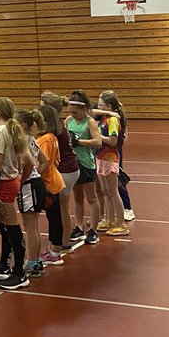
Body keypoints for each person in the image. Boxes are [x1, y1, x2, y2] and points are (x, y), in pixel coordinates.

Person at [0, 97, 32, 290]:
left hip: (3, 184)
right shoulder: (13, 129)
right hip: (11, 182)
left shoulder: (0, 131)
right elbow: (30, 162)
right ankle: (3, 266)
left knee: (12, 229)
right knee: (4, 228)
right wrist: (20, 178)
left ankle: (20, 272)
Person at [40, 91, 81, 250]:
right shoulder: (59, 123)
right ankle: (64, 239)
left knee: (60, 208)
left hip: (65, 169)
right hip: (71, 168)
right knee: (63, 207)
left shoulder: (52, 128)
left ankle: (63, 241)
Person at [14, 109, 48, 278]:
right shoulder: (32, 139)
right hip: (35, 183)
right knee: (32, 225)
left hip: (28, 185)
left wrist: (21, 181)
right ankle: (36, 259)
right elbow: (44, 161)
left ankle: (32, 261)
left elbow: (30, 163)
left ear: (21, 125)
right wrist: (37, 175)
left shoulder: (22, 142)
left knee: (30, 225)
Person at [66, 91, 102, 244]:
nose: (72, 114)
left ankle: (93, 229)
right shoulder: (68, 120)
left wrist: (79, 141)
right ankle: (79, 227)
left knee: (91, 197)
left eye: (75, 112)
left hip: (86, 163)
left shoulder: (90, 122)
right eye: (71, 111)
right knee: (77, 197)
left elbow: (98, 142)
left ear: (83, 109)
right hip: (73, 163)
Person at [36, 104, 70, 261]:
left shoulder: (44, 140)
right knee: (54, 216)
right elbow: (56, 161)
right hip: (54, 180)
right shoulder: (52, 137)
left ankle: (55, 252)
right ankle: (53, 249)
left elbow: (44, 162)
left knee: (54, 218)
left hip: (48, 183)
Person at [95, 93, 128, 235]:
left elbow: (113, 141)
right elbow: (91, 111)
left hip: (109, 157)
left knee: (113, 192)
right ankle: (109, 220)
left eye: (101, 104)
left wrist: (97, 136)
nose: (98, 107)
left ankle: (121, 224)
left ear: (108, 106)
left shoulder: (113, 120)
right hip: (100, 156)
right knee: (105, 191)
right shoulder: (103, 118)